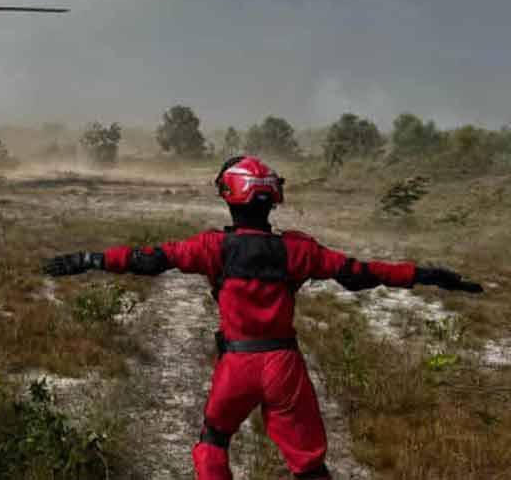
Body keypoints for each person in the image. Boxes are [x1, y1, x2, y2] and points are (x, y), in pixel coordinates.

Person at [42, 156, 483, 480]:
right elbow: (362, 273)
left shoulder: (212, 247)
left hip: (237, 364)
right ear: (272, 198)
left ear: (229, 196)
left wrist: (89, 259)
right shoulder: (299, 250)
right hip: (284, 367)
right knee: (309, 465)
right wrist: (425, 275)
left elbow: (149, 259)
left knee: (213, 442)